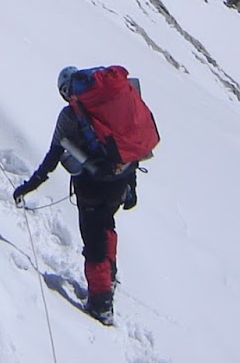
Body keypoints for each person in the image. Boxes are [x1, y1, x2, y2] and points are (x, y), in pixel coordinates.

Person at [12, 66, 147, 326]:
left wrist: (27, 187)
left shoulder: (69, 117)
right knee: (107, 226)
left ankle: (101, 303)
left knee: (94, 243)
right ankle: (110, 276)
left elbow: (52, 158)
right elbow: (128, 148)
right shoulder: (107, 107)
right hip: (119, 184)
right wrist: (132, 187)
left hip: (91, 188)